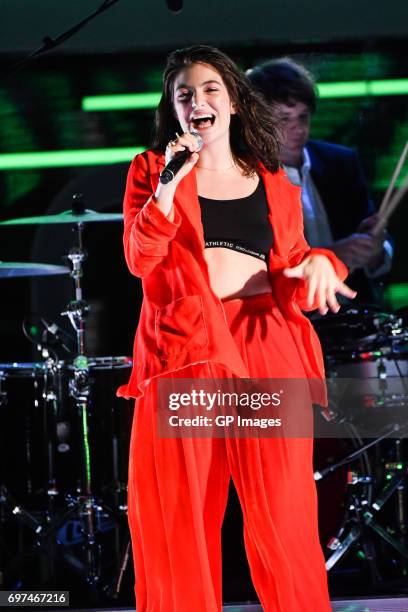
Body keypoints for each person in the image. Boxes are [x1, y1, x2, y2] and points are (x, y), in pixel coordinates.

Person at [117, 45, 355, 612]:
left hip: (264, 343)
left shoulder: (272, 179)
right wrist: (169, 190)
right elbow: (139, 257)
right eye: (184, 95)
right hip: (187, 351)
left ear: (233, 103)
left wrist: (326, 263)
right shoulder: (151, 171)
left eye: (209, 90)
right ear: (173, 110)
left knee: (285, 513)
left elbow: (293, 265)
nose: (196, 101)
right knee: (182, 513)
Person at [246, 58, 393, 303]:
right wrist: (329, 256)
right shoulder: (244, 177)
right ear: (258, 123)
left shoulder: (341, 162)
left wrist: (376, 252)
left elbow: (375, 239)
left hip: (353, 310)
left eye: (303, 117)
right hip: (290, 317)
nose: (298, 128)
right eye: (284, 119)